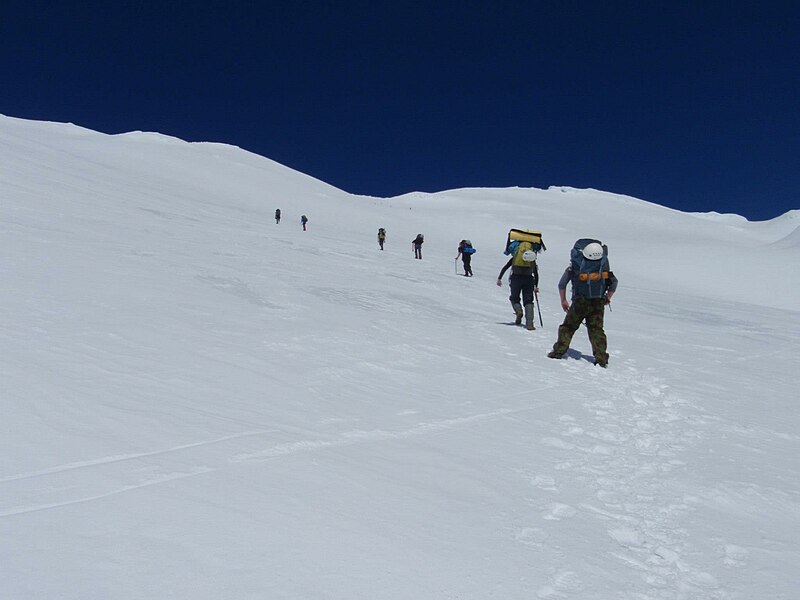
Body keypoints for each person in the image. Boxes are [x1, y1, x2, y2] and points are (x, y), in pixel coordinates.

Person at [547, 241, 618, 367]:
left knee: (568, 327)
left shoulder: (576, 264)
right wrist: (608, 297)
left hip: (580, 302)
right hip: (598, 302)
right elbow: (614, 283)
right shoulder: (602, 265)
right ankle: (601, 357)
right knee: (596, 330)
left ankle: (558, 351)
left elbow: (562, 284)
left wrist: (563, 300)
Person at [496, 243, 539, 330]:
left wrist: (499, 278)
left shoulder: (515, 258)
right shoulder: (531, 259)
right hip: (529, 279)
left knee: (514, 298)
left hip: (516, 278)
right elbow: (536, 273)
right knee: (528, 301)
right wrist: (536, 286)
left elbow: (505, 267)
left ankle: (518, 311)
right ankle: (529, 323)